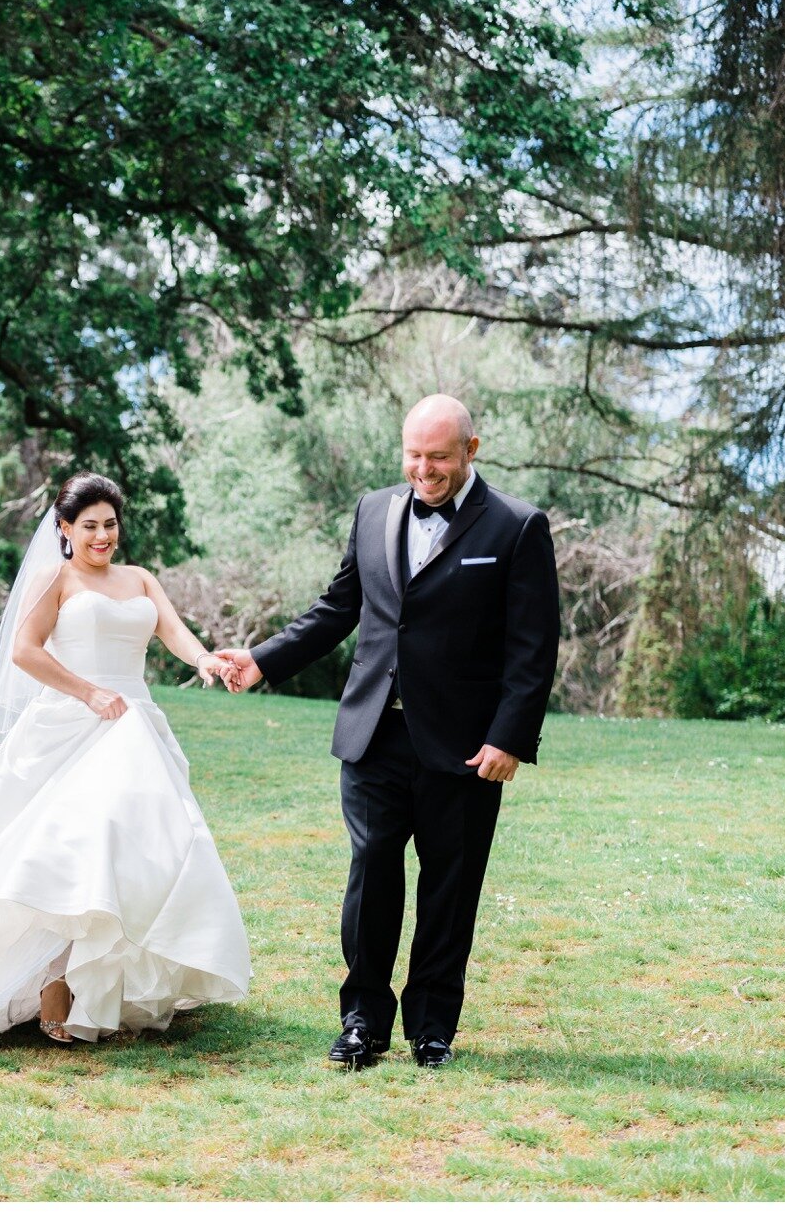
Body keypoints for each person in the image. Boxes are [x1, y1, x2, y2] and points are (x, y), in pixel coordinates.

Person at [212, 395, 559, 1070]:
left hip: (465, 748)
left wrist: (510, 737)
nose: (423, 469)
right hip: (372, 734)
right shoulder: (374, 511)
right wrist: (262, 659)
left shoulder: (517, 527)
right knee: (371, 872)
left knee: (449, 888)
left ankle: (433, 1027)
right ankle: (363, 1020)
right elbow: (338, 608)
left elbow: (532, 646)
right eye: (414, 454)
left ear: (471, 450)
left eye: (439, 456)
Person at [0, 473, 251, 1043]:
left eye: (110, 525)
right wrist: (88, 691)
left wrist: (207, 663)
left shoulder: (140, 578)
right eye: (90, 526)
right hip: (74, 722)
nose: (102, 537)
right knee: (73, 851)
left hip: (134, 727)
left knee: (141, 846)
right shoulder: (56, 578)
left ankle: (104, 985)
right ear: (65, 528)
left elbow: (175, 634)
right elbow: (24, 650)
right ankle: (53, 981)